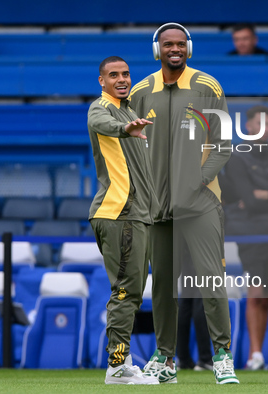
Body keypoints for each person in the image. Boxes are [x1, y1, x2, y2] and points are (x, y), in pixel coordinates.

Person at [129, 23, 239, 384]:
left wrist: (199, 180)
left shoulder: (208, 86)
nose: (174, 49)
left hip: (201, 205)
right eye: (167, 44)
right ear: (157, 49)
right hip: (157, 207)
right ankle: (165, 359)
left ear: (188, 48)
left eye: (180, 44)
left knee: (211, 281)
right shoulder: (141, 91)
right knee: (161, 286)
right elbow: (129, 147)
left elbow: (224, 144)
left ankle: (222, 356)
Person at [87, 56, 160, 385]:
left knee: (131, 291)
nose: (121, 79)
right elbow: (102, 124)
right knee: (125, 292)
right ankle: (116, 367)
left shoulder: (133, 112)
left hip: (138, 215)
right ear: (101, 80)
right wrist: (123, 129)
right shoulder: (100, 108)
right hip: (118, 212)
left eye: (126, 73)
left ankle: (124, 362)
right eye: (113, 75)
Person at [221, 105, 268, 370]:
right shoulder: (237, 157)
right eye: (260, 125)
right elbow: (248, 198)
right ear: (248, 127)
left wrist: (265, 196)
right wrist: (264, 197)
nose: (266, 130)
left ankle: (259, 356)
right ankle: (254, 354)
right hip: (251, 233)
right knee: (256, 291)